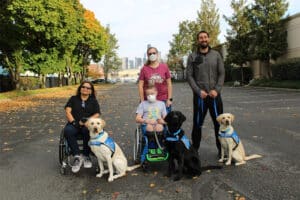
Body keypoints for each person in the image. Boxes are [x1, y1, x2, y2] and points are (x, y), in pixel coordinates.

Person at [186, 30, 225, 158]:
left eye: (205, 37)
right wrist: (198, 91)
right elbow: (190, 76)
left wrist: (217, 89)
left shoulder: (216, 55)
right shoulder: (192, 57)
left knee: (219, 124)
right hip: (200, 97)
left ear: (209, 39)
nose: (203, 39)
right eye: (201, 38)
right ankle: (194, 151)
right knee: (197, 124)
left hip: (214, 96)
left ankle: (222, 150)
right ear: (198, 40)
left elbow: (221, 73)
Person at [64, 80, 101, 173]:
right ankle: (77, 156)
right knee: (68, 130)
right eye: (83, 87)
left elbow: (97, 114)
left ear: (91, 91)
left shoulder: (93, 101)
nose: (85, 89)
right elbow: (68, 111)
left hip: (87, 124)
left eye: (88, 88)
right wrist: (75, 123)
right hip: (74, 123)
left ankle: (86, 155)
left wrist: (87, 121)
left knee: (88, 131)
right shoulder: (73, 99)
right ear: (80, 89)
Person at [136, 86, 167, 164]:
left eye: (152, 93)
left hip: (158, 124)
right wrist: (146, 120)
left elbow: (166, 120)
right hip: (147, 124)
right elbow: (137, 118)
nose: (150, 96)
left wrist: (161, 121)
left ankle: (159, 148)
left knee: (159, 127)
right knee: (149, 128)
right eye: (148, 94)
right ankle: (150, 149)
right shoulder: (143, 104)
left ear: (156, 93)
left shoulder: (161, 104)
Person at [138, 46, 173, 112]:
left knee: (164, 121)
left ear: (157, 54)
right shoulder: (144, 69)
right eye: (150, 54)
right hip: (149, 100)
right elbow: (140, 86)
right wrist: (142, 101)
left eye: (154, 53)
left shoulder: (164, 67)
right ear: (147, 56)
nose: (152, 55)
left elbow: (169, 84)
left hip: (164, 100)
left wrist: (169, 99)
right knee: (151, 121)